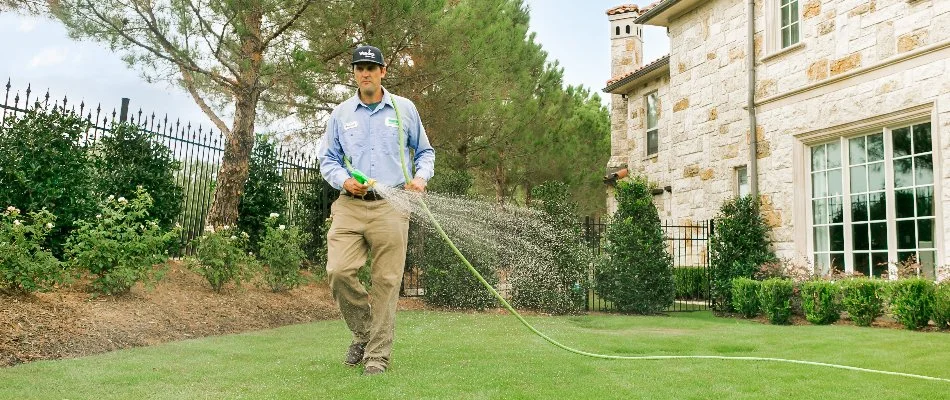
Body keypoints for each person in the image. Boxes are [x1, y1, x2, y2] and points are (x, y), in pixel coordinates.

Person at [316, 45, 435, 376]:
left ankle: (377, 356)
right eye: (359, 67)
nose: (365, 72)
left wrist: (421, 178)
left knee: (385, 281)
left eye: (371, 67)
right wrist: (343, 179)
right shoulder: (341, 114)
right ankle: (365, 333)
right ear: (354, 73)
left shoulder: (404, 109)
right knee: (338, 271)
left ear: (383, 71)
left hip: (392, 205)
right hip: (350, 205)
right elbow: (328, 159)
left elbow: (425, 151)